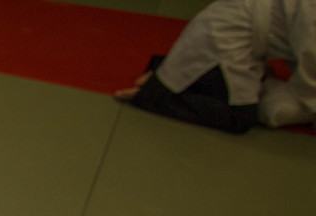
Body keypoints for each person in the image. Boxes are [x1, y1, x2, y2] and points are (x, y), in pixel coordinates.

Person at [114, 0, 316, 133]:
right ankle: (155, 96)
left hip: (229, 31)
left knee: (242, 84)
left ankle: (163, 75)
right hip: (226, 36)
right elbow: (309, 61)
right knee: (241, 118)